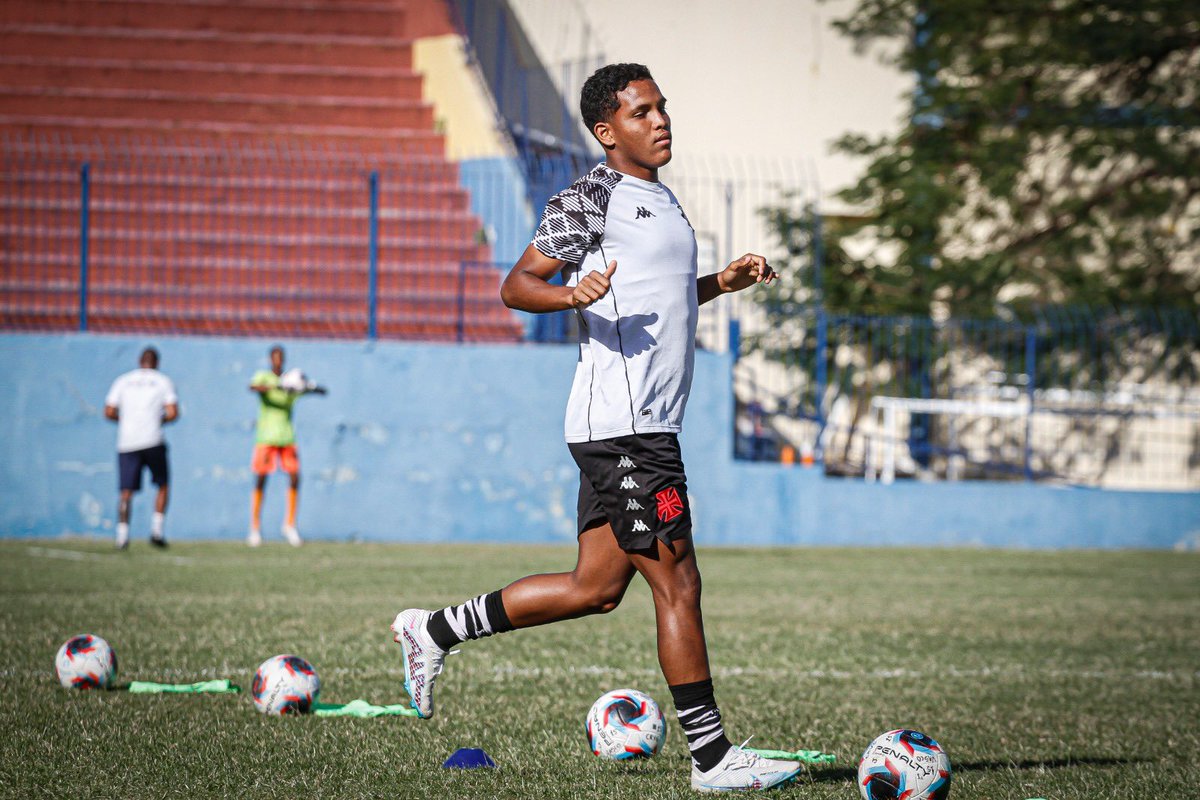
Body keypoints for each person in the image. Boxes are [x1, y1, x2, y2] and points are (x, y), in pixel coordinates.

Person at [391, 63, 800, 792]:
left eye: (662, 107)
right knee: (678, 582)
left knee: (596, 587)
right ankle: (712, 760)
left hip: (642, 425)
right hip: (625, 428)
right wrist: (571, 294)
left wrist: (721, 283)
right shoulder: (591, 197)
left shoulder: (664, 199)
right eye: (642, 112)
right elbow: (517, 284)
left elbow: (658, 297)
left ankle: (434, 630)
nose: (660, 120)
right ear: (607, 132)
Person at [247, 345, 324, 547]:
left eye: (281, 358)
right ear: (270, 359)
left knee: (295, 477)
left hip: (287, 437)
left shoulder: (291, 382)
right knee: (261, 479)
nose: (278, 361)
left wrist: (309, 386)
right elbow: (253, 387)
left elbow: (318, 390)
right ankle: (254, 527)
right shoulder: (264, 377)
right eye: (275, 358)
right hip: (266, 437)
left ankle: (289, 525)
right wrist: (276, 387)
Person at [104, 346, 178, 549]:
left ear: (139, 361)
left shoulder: (123, 380)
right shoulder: (163, 381)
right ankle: (156, 532)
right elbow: (172, 412)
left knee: (126, 491)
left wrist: (126, 420)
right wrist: (157, 420)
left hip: (127, 441)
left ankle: (122, 536)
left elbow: (109, 411)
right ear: (157, 363)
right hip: (153, 440)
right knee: (162, 485)